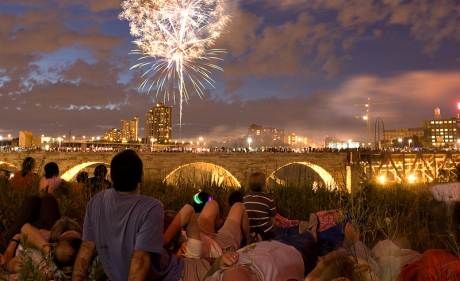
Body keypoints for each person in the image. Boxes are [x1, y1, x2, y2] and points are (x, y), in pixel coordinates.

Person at [72, 150, 182, 281]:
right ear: (141, 177)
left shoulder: (95, 202)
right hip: (173, 274)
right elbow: (140, 259)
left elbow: (86, 248)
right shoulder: (152, 207)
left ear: (111, 176)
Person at [1, 217, 82, 279]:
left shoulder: (46, 266)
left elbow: (9, 265)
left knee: (34, 201)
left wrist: (15, 239)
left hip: (24, 238)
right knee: (43, 201)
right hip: (35, 236)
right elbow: (25, 228)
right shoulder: (47, 250)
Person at [243, 172, 277, 240]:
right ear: (264, 185)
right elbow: (273, 219)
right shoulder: (269, 199)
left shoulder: (245, 198)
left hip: (250, 230)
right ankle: (261, 237)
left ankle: (255, 236)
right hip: (266, 231)